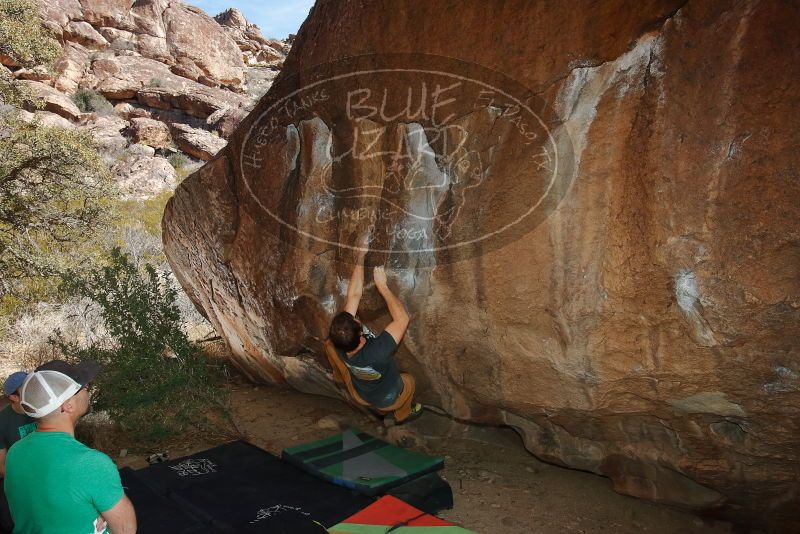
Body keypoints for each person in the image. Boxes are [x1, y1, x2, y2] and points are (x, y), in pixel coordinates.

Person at [5, 360, 136, 534]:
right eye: (83, 386)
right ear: (68, 405)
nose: (88, 388)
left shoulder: (15, 452)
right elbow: (126, 530)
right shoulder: (92, 464)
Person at [328, 250, 423, 424]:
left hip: (360, 393)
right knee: (409, 382)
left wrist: (360, 256)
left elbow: (354, 295)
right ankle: (402, 414)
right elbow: (402, 319)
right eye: (357, 322)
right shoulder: (376, 352)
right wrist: (383, 288)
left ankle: (341, 378)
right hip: (388, 399)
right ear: (361, 337)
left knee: (327, 347)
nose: (356, 317)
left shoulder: (339, 340)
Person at [0, 372, 36, 533]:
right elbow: (1, 466)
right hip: (19, 483)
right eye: (26, 388)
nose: (33, 389)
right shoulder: (3, 421)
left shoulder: (42, 409)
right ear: (13, 397)